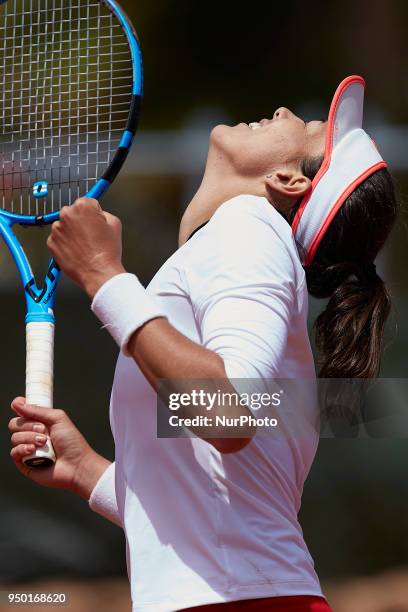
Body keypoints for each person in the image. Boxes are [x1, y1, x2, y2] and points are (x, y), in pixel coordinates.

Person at [8, 76, 397, 611]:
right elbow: (221, 498)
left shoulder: (247, 228)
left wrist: (104, 275)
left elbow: (226, 414)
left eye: (304, 130)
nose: (283, 107)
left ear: (288, 180)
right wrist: (89, 474)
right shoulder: (236, 245)